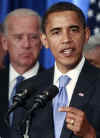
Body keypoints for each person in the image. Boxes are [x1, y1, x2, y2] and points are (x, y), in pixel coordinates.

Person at [14, 2, 100, 138]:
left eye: (73, 30)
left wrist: (90, 134)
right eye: (56, 32)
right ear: (44, 40)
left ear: (86, 34)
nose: (66, 39)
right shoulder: (28, 89)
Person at [0, 8, 44, 138]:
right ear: (4, 43)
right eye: (18, 37)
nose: (26, 45)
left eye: (33, 37)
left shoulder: (55, 85)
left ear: (42, 42)